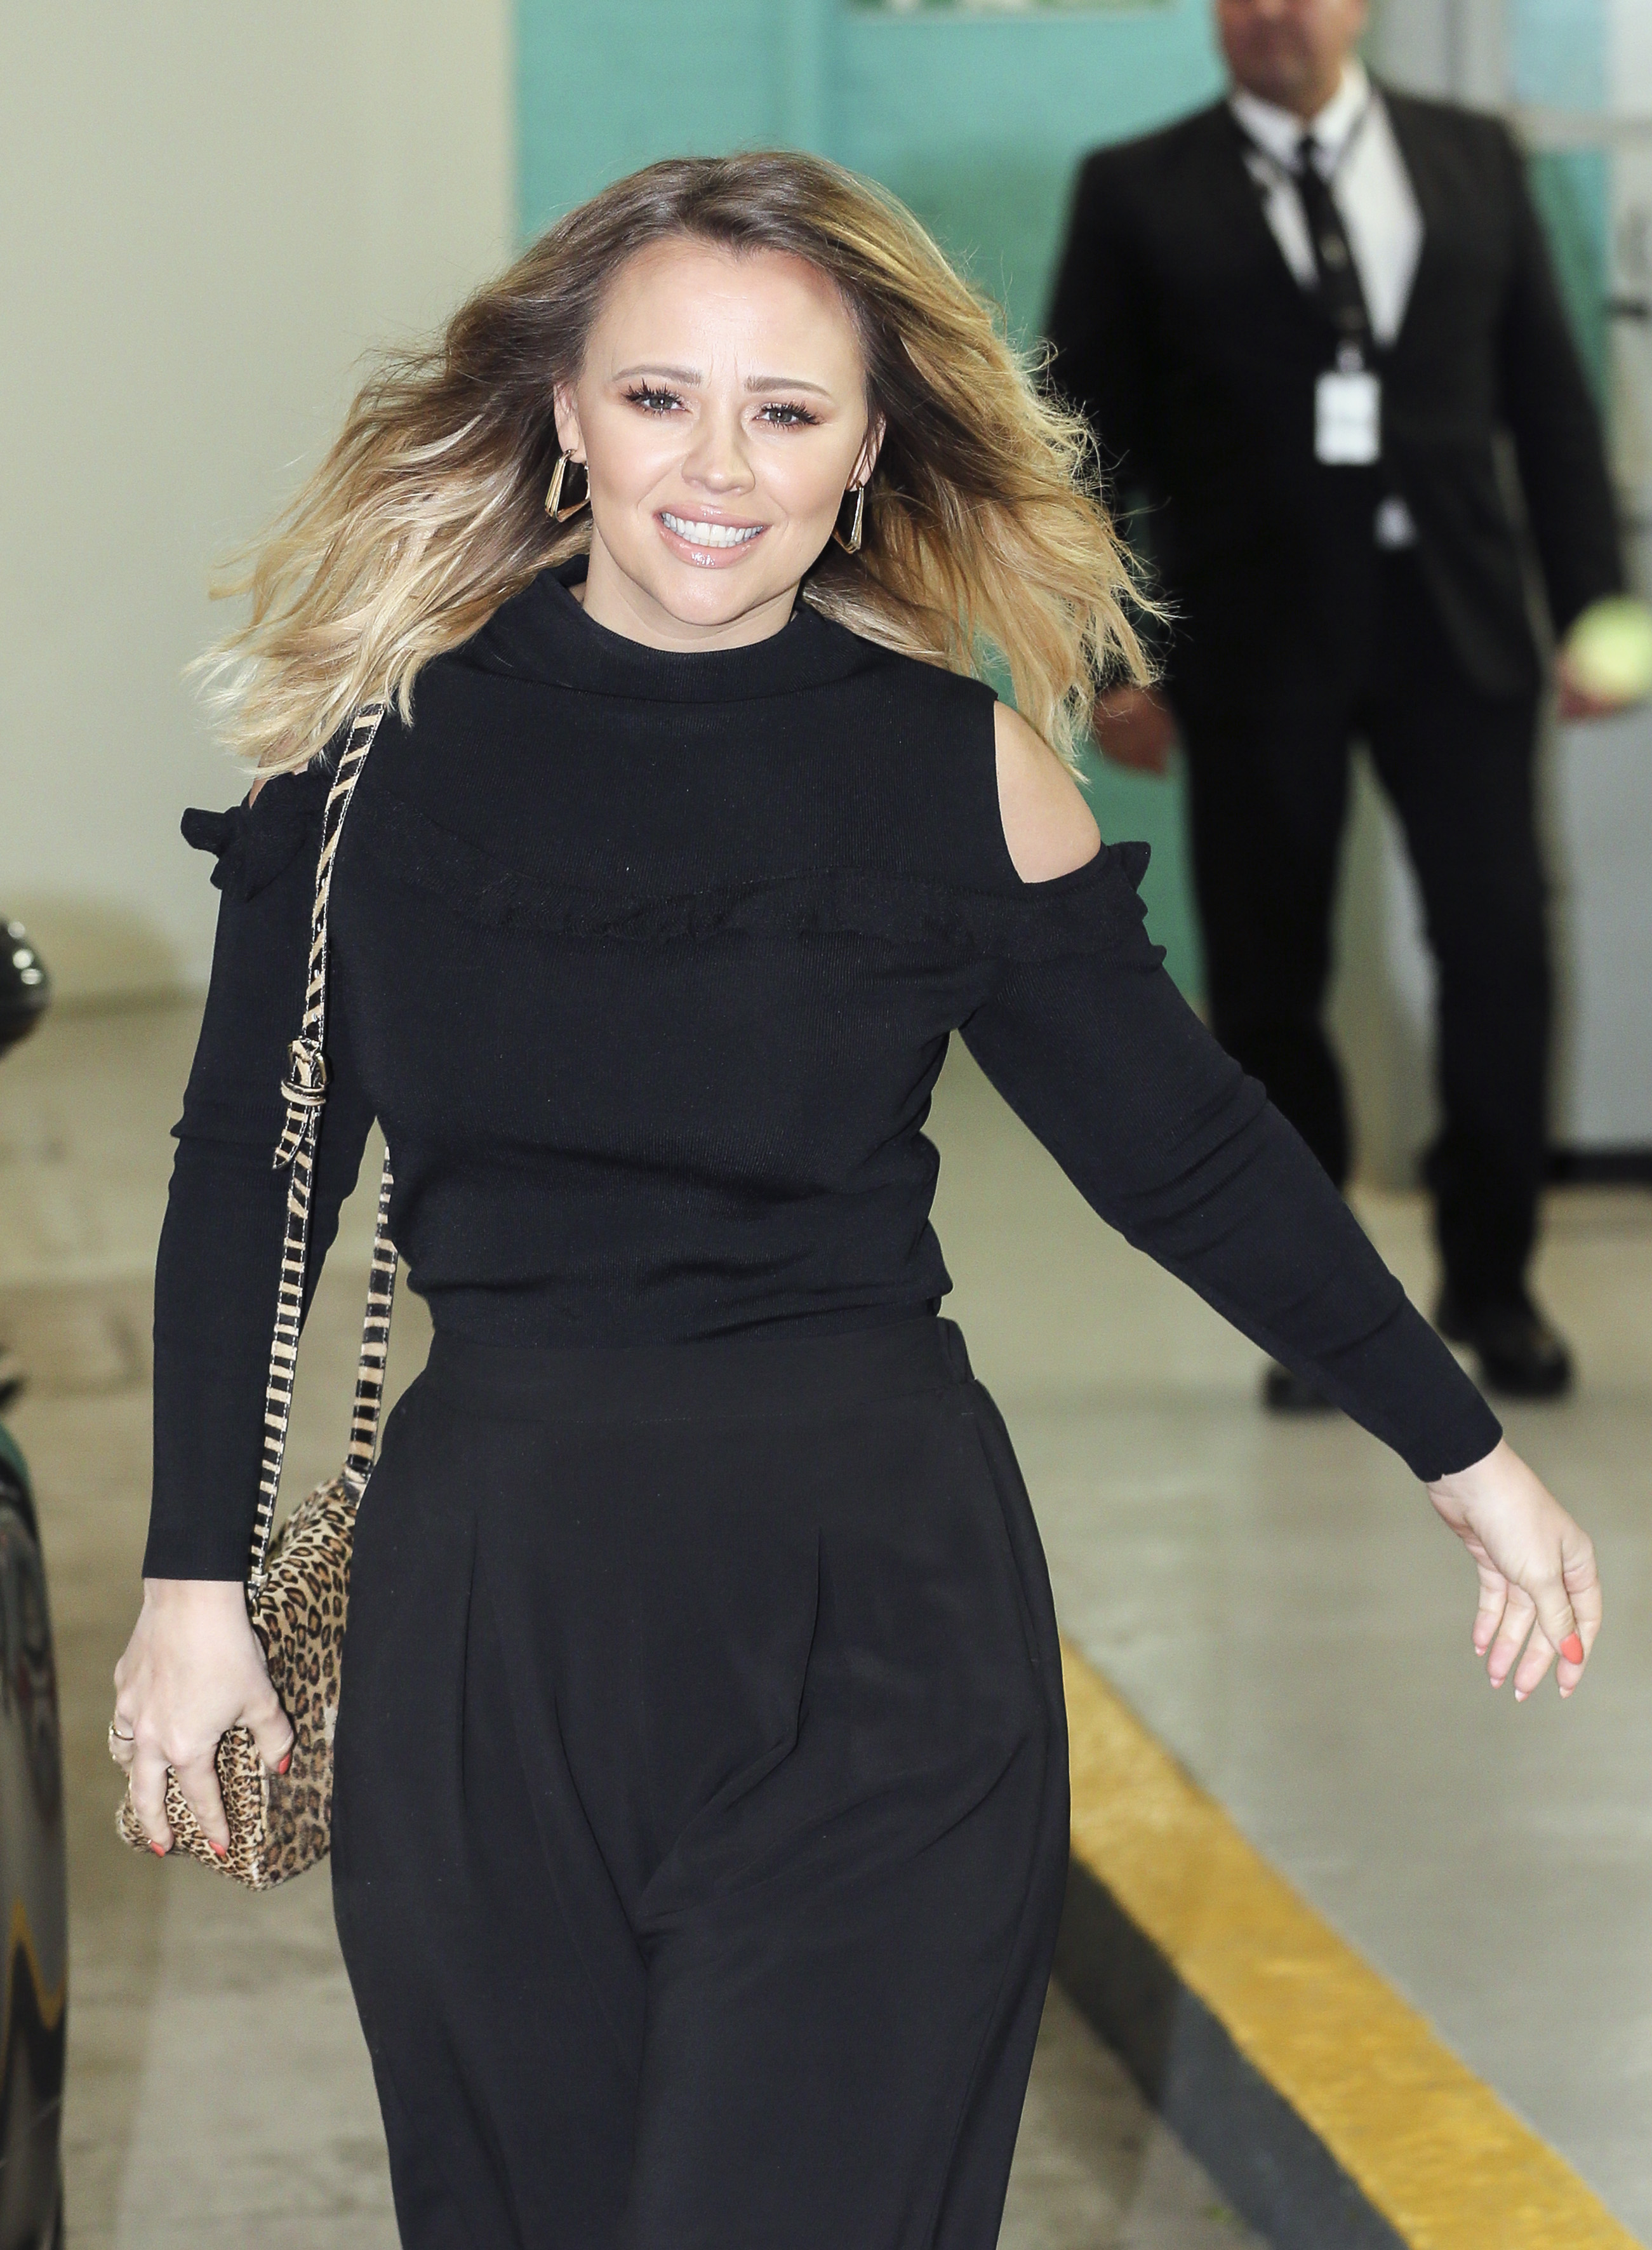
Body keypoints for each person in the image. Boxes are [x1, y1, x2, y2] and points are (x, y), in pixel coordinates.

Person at [110, 153, 1600, 2250]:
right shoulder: (375, 762)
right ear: (563, 411)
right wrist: (190, 1583)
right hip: (488, 1638)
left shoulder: (952, 771)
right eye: (659, 398)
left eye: (787, 411)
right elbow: (254, 1178)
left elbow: (1183, 1153)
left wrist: (1462, 1452)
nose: (718, 468)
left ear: (870, 445)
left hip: (876, 1641)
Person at [1046, 0, 1648, 1410]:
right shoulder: (1136, 189)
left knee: (1498, 954)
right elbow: (1084, 449)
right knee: (1267, 981)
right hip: (1253, 647)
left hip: (1458, 635)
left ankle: (1493, 1286)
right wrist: (1104, 659)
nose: (1273, 14)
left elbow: (1546, 401)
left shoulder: (1471, 158)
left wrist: (1597, 611)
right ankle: (1321, 1312)